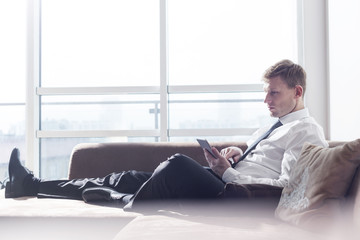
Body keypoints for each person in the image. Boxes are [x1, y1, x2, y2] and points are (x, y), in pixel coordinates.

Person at [5, 59, 328, 210]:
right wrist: (234, 155)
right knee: (125, 176)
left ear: (297, 92)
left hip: (233, 196)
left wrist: (228, 172)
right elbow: (263, 164)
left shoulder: (306, 131)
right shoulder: (275, 126)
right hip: (225, 180)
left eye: (273, 93)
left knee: (175, 165)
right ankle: (30, 185)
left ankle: (128, 202)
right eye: (266, 93)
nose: (266, 100)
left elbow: (287, 186)